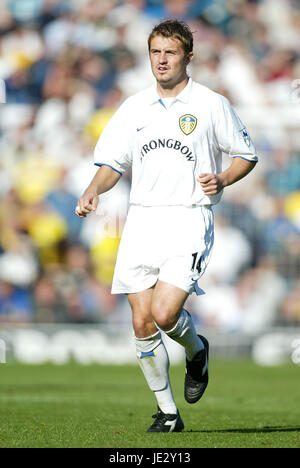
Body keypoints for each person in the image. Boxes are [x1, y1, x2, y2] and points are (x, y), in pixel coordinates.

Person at [75, 19, 258, 433]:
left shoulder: (211, 104)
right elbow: (112, 163)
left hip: (189, 216)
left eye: (170, 52)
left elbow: (246, 154)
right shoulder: (134, 107)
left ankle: (196, 351)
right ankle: (169, 414)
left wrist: (224, 178)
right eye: (155, 51)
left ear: (188, 57)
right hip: (141, 219)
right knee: (141, 322)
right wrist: (93, 190)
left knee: (163, 312)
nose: (161, 59)